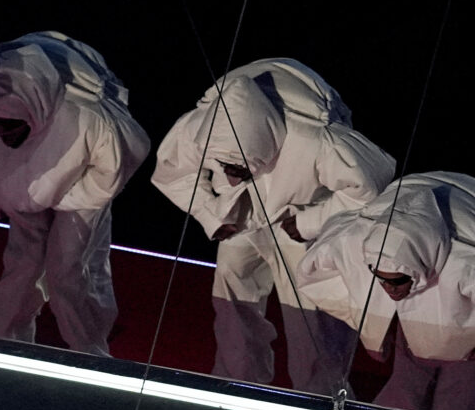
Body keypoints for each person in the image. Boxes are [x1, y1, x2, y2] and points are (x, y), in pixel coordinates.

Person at [150, 58, 394, 392]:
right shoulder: (199, 129)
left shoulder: (313, 141)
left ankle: (322, 396)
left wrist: (310, 220)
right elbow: (171, 173)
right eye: (226, 166)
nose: (232, 176)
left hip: (299, 212)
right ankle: (237, 381)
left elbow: (370, 187)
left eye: (241, 168)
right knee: (232, 290)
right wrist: (209, 213)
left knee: (309, 313)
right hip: (239, 216)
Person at [0, 33, 148, 353]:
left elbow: (117, 167)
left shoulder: (90, 119)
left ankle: (89, 349)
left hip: (78, 186)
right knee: (24, 260)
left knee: (69, 266)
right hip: (17, 190)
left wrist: (66, 197)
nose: (2, 131)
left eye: (11, 124)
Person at [294, 171, 475, 410]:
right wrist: (365, 314)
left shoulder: (472, 265)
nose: (389, 288)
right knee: (408, 378)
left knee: (463, 403)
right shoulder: (356, 241)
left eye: (397, 281)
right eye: (380, 278)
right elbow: (312, 275)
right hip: (415, 216)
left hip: (474, 219)